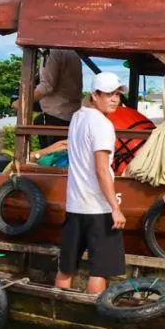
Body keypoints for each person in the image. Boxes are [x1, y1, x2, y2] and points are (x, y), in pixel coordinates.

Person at [54, 72, 128, 295]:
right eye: (109, 94)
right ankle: (91, 317)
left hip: (75, 205)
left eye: (117, 94)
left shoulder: (78, 117)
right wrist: (115, 208)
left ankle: (59, 310)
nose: (115, 99)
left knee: (67, 266)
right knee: (100, 270)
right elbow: (101, 169)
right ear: (95, 95)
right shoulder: (102, 124)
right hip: (98, 208)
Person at [33, 48, 84, 147]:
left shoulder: (52, 52)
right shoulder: (72, 53)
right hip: (71, 115)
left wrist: (21, 102)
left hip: (55, 115)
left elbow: (46, 87)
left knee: (51, 157)